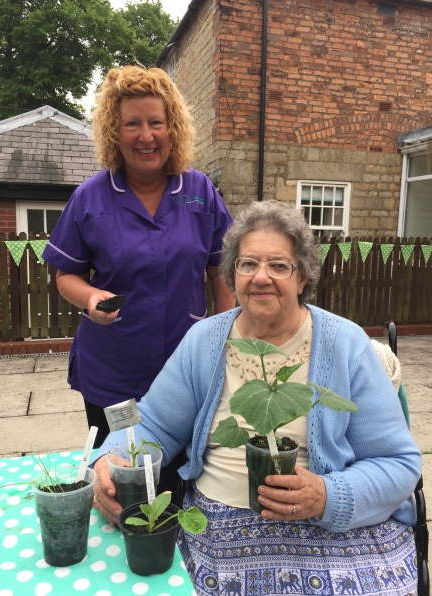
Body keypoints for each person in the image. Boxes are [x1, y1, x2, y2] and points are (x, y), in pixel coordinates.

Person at [92, 201, 421, 596]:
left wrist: (328, 496)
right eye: (247, 264)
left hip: (332, 525)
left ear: (303, 278)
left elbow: (399, 464)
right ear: (232, 275)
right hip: (219, 525)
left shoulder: (345, 343)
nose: (261, 277)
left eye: (279, 266)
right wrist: (110, 458)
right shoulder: (205, 340)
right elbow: (153, 423)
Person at [42, 66, 234, 484]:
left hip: (186, 367)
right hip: (113, 370)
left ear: (173, 128)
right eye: (132, 124)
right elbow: (65, 275)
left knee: (181, 477)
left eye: (155, 122)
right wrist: (91, 298)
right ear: (115, 130)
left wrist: (225, 334)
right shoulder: (90, 197)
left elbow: (223, 268)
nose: (146, 136)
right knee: (119, 478)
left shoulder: (200, 191)